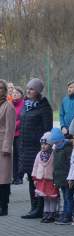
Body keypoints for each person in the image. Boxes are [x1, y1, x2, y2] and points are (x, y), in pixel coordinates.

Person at [20, 78, 53, 219]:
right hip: (25, 148)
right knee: (30, 177)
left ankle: (40, 208)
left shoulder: (44, 107)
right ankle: (33, 207)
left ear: (38, 91)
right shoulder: (26, 105)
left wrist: (43, 147)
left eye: (32, 89)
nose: (28, 91)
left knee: (38, 179)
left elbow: (47, 129)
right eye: (27, 88)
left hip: (36, 149)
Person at [32, 132, 59, 223]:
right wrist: (35, 178)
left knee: (52, 197)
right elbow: (35, 166)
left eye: (46, 144)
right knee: (45, 197)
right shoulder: (39, 154)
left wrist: (57, 178)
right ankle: (46, 212)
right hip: (41, 179)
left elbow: (56, 167)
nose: (43, 146)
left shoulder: (53, 154)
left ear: (51, 145)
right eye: (42, 144)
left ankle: (52, 213)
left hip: (51, 180)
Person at [50, 128, 74, 225]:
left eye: (58, 142)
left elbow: (70, 165)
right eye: (55, 143)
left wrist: (70, 178)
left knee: (68, 197)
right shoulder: (56, 149)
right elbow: (55, 166)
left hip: (68, 179)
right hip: (60, 179)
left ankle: (68, 215)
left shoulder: (67, 149)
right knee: (65, 197)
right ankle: (65, 213)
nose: (57, 144)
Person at [0, 79, 16, 216]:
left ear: (5, 91)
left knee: (3, 179)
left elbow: (10, 129)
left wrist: (6, 147)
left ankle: (3, 207)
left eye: (1, 88)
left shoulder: (8, 106)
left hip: (3, 147)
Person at [12, 86, 24, 185]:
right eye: (13, 93)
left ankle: (19, 177)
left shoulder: (24, 104)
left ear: (21, 95)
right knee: (13, 156)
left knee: (19, 155)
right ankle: (14, 176)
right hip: (10, 133)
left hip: (20, 133)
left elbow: (22, 118)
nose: (15, 94)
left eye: (17, 93)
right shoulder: (9, 105)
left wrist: (13, 125)